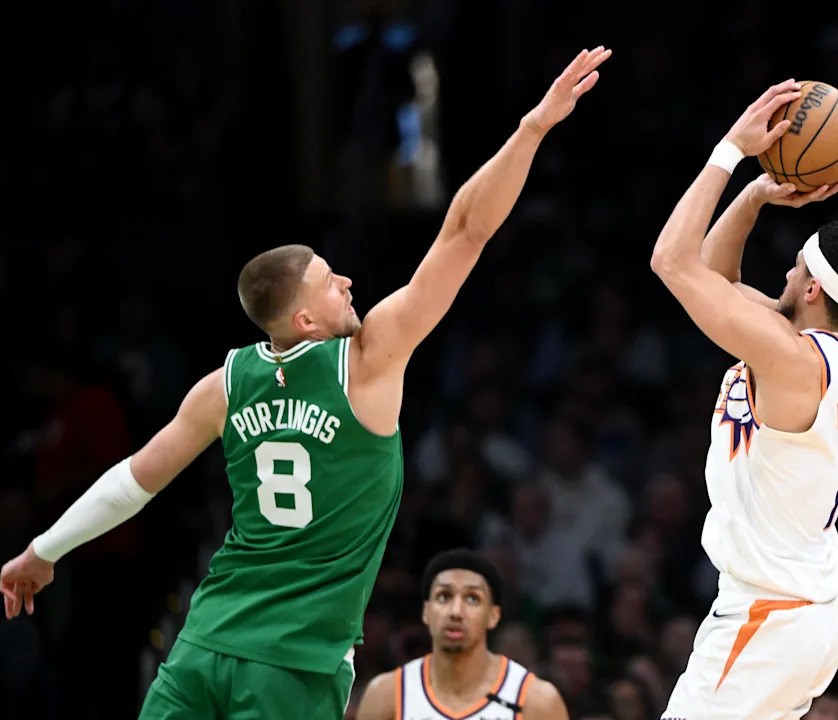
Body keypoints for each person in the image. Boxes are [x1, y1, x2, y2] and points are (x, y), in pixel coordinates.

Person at [0, 45, 613, 720]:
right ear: (304, 320)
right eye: (327, 280)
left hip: (204, 648)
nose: (346, 280)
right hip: (296, 663)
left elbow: (133, 482)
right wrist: (532, 128)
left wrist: (43, 550)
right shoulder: (369, 357)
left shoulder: (224, 385)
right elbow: (465, 231)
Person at [650, 79, 838, 719]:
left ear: (811, 290)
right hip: (798, 616)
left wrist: (730, 152)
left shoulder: (790, 361)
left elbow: (672, 262)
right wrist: (757, 192)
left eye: (795, 269)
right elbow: (717, 277)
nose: (784, 274)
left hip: (769, 616)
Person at [355, 548, 568, 720]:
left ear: (493, 616)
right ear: (426, 611)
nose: (456, 612)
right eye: (444, 596)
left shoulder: (536, 700)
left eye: (473, 598)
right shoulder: (386, 695)